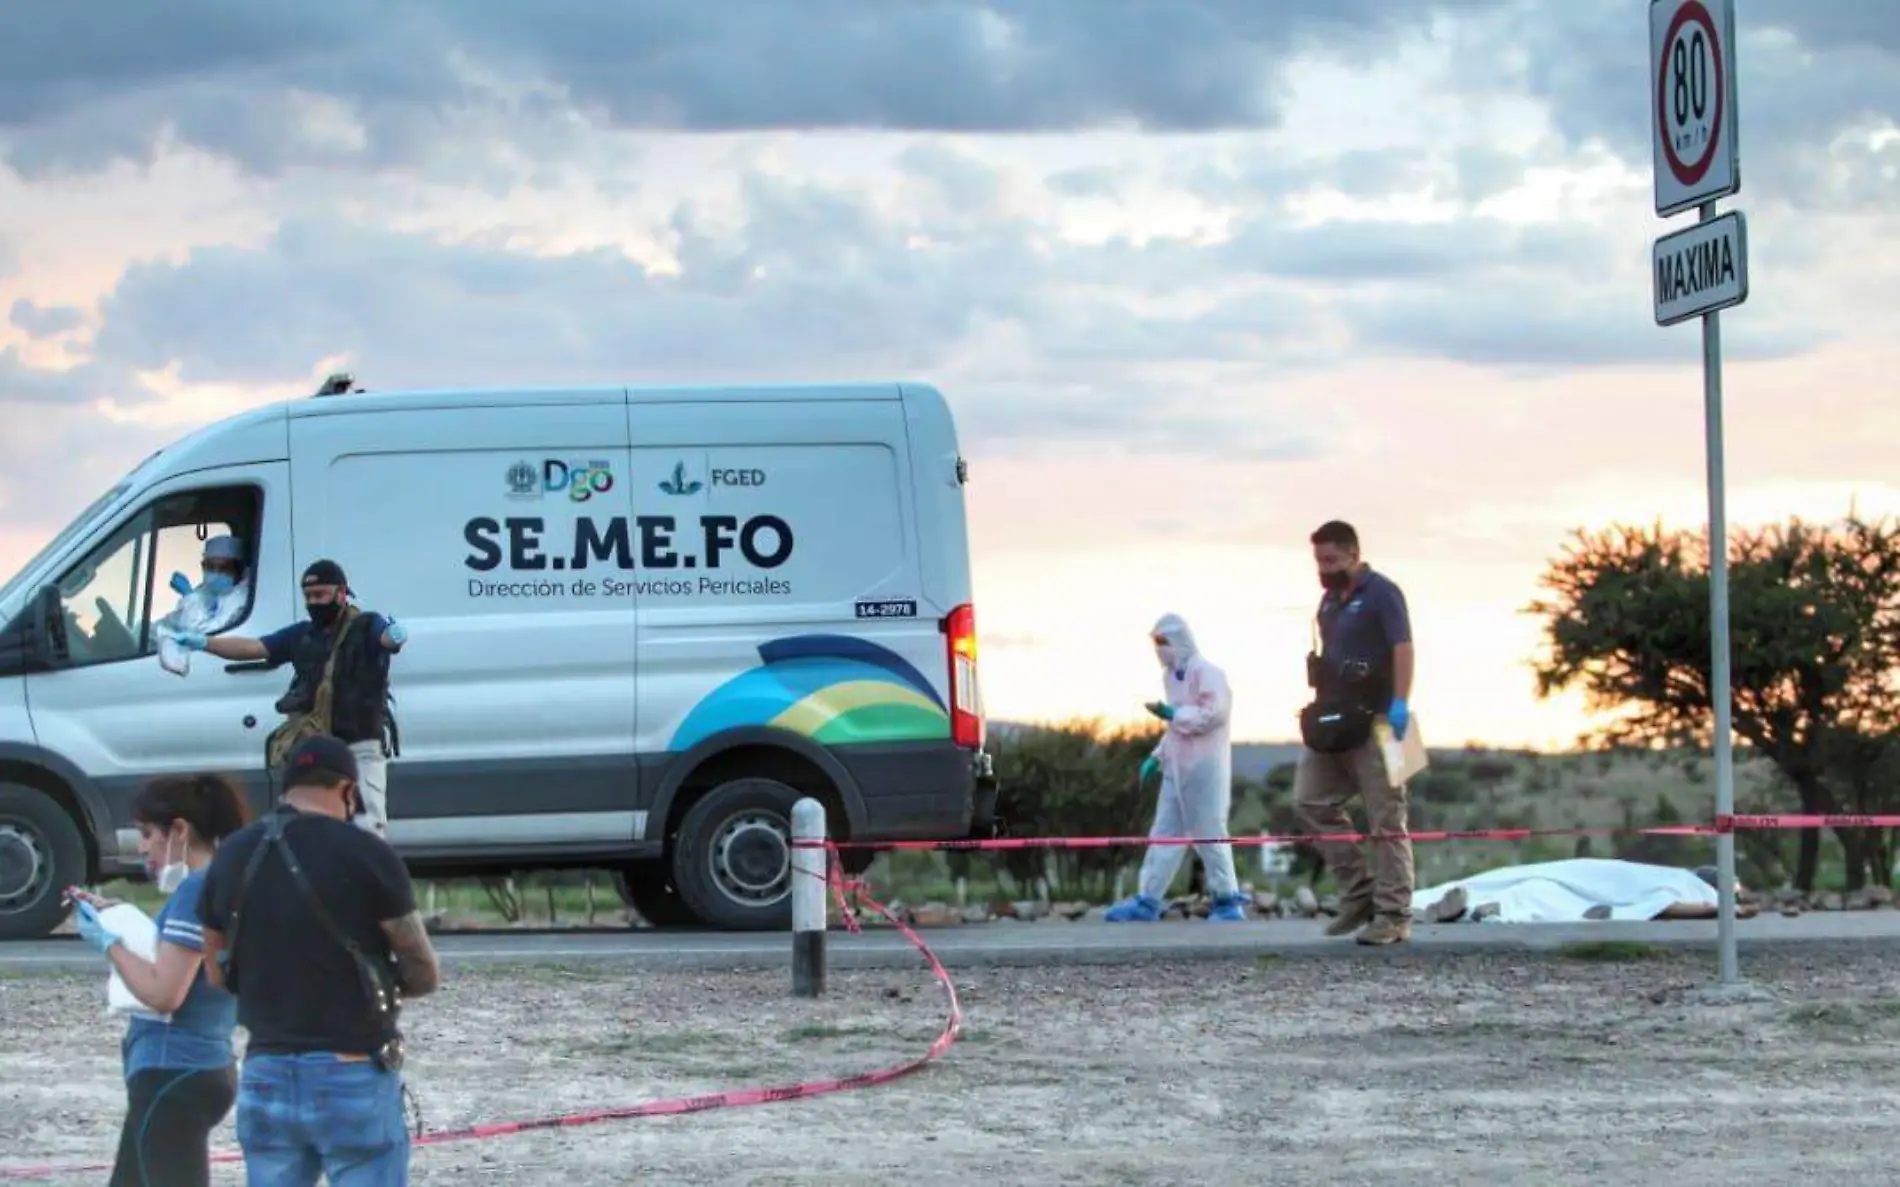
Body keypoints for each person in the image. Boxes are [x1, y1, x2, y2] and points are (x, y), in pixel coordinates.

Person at [197, 735, 441, 1186]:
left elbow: (216, 973)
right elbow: (423, 971)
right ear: (348, 791)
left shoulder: (231, 855)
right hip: (351, 1069)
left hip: (265, 1069)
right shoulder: (367, 852)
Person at [70, 773, 254, 1187]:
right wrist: (121, 916)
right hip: (199, 1065)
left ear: (180, 830)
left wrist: (107, 942)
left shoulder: (195, 891)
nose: (143, 847)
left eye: (148, 833)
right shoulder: (225, 884)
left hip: (173, 1072)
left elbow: (164, 993)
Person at [179, 558, 407, 836]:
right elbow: (255, 648)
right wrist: (205, 643)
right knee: (313, 827)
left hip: (361, 746)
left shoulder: (365, 625)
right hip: (320, 750)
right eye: (308, 596)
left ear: (342, 593)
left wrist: (394, 637)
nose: (314, 602)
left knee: (366, 829)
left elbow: (386, 639)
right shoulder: (302, 634)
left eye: (321, 594)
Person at [1294, 520, 1417, 946]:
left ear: (1352, 553)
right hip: (1337, 720)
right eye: (1318, 561)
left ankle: (1394, 914)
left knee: (1388, 817)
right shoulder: (1328, 602)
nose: (1323, 568)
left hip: (1385, 721)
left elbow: (1404, 646)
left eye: (1330, 559)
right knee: (1309, 800)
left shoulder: (1383, 592)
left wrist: (1401, 702)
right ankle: (1359, 893)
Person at [1105, 613, 1248, 923]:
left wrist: (1173, 712)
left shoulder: (1207, 673)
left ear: (1179, 641)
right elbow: (1176, 728)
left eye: (1162, 642)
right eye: (1155, 643)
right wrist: (1157, 756)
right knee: (1164, 833)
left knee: (1210, 832)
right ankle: (1148, 901)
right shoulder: (1171, 677)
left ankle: (1227, 900)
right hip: (1176, 768)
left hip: (1204, 769)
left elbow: (1214, 714)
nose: (1159, 650)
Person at [156, 534, 254, 677]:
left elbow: (205, 635)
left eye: (224, 568)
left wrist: (189, 597)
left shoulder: (240, 601)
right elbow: (175, 621)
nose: (215, 573)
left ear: (241, 570)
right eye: (209, 566)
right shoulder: (209, 589)